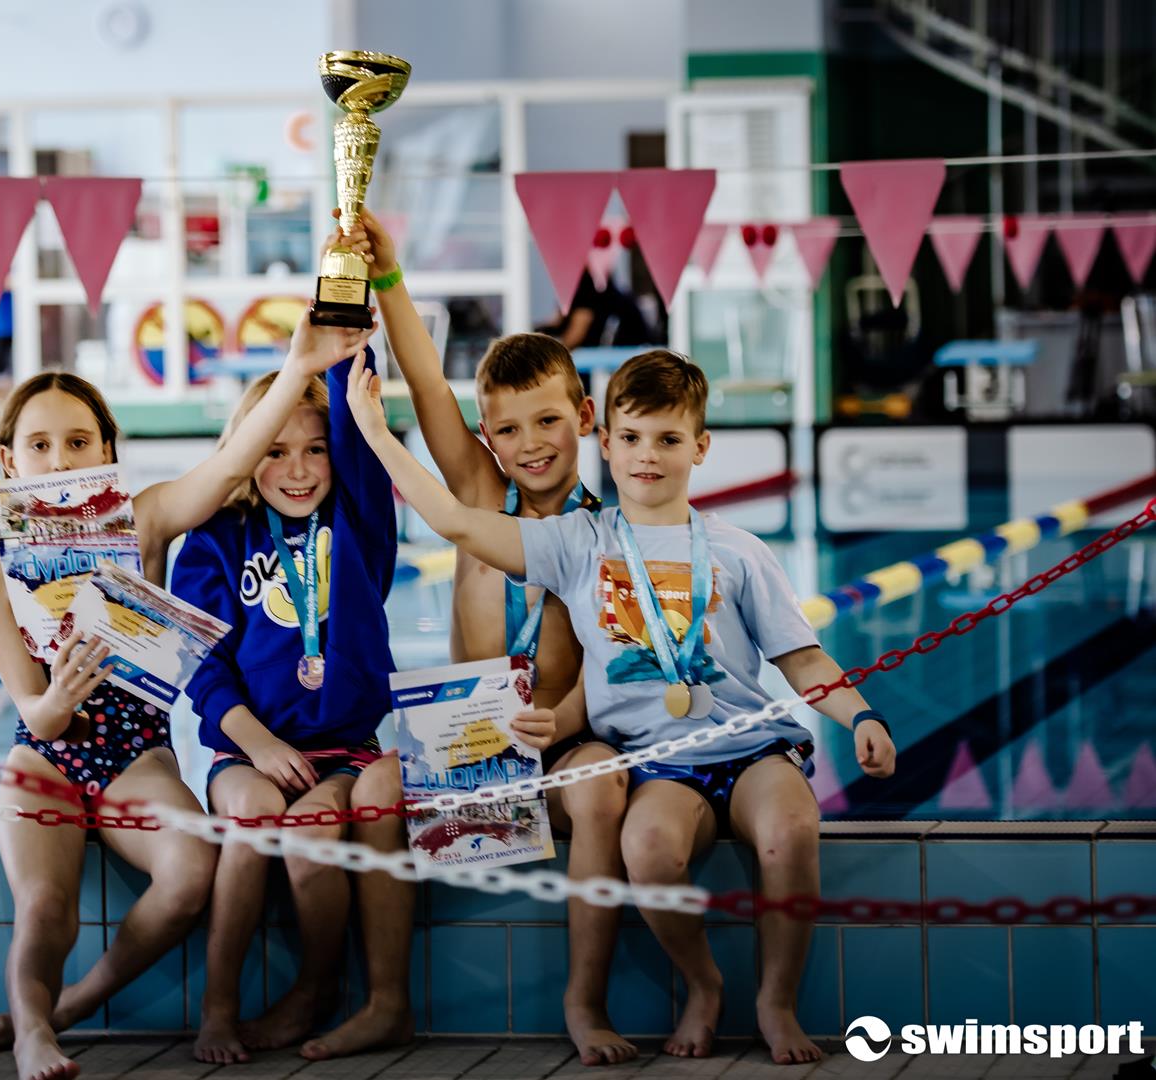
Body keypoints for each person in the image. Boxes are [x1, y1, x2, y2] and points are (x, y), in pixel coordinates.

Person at [343, 348, 897, 1067]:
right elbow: (454, 520)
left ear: (700, 447)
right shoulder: (579, 543)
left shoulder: (739, 550)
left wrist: (862, 716)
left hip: (750, 747)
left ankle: (776, 1002)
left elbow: (802, 659)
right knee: (648, 848)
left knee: (790, 830)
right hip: (659, 765)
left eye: (668, 439)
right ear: (605, 441)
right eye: (632, 437)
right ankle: (704, 983)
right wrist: (376, 431)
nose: (648, 455)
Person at [0, 315, 376, 1080]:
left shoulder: (145, 521)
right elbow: (39, 717)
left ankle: (68, 1008)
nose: (61, 460)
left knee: (190, 874)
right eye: (41, 445)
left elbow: (228, 469)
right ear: (9, 461)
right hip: (47, 756)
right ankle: (32, 1037)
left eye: (79, 441)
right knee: (46, 906)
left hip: (136, 754)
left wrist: (297, 369)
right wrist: (63, 691)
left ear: (108, 450)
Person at [302, 209, 637, 1067]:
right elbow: (426, 382)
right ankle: (386, 1001)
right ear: (487, 437)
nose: (530, 445)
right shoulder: (480, 500)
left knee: (601, 788)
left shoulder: (612, 536)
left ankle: (584, 1002)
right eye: (508, 429)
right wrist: (388, 276)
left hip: (562, 744)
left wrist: (566, 723)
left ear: (585, 417)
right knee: (376, 788)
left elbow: (619, 668)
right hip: (471, 741)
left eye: (548, 422)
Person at [172, 345, 397, 1065]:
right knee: (252, 818)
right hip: (248, 748)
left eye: (315, 449)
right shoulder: (215, 539)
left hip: (344, 751)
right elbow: (199, 664)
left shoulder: (359, 523)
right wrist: (258, 744)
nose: (297, 469)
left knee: (308, 841)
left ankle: (315, 989)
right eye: (273, 450)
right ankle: (218, 1008)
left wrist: (341, 337)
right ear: (246, 455)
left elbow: (355, 420)